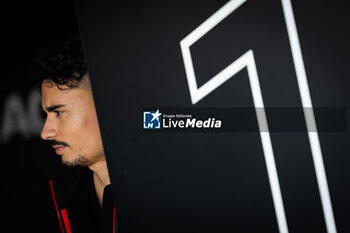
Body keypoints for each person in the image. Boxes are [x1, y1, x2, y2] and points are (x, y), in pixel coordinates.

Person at [35, 37, 117, 233]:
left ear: (106, 106)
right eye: (46, 115)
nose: (45, 133)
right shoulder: (67, 206)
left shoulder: (171, 199)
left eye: (59, 113)